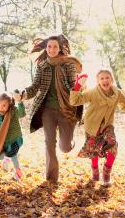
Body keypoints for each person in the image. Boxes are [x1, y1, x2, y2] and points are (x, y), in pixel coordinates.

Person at [22, 35, 83, 183]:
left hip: (65, 109)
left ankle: (70, 142)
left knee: (65, 147)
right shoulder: (42, 66)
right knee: (49, 143)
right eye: (49, 46)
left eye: (55, 46)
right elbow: (35, 87)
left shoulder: (68, 65)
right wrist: (23, 94)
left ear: (60, 48)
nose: (52, 49)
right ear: (46, 48)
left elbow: (71, 87)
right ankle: (51, 178)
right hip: (47, 111)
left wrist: (78, 86)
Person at [70, 70, 125, 185]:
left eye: (107, 78)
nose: (104, 80)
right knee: (94, 150)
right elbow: (74, 101)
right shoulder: (93, 93)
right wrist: (77, 86)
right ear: (98, 81)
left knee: (113, 145)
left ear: (111, 79)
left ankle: (106, 173)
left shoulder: (117, 93)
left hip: (107, 126)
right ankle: (95, 174)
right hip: (92, 125)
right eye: (101, 78)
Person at [0, 91, 26, 180]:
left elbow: (22, 114)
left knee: (11, 153)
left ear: (9, 103)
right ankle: (12, 163)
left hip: (15, 139)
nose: (1, 108)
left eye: (4, 105)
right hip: (3, 141)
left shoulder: (13, 110)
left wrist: (20, 102)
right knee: (2, 156)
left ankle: (13, 167)